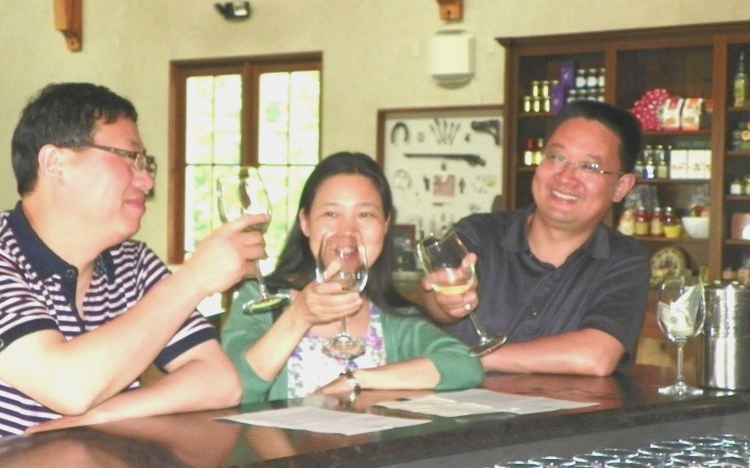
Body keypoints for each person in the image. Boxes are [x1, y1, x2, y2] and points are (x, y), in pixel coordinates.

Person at [0, 82, 257, 447]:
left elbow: (220, 382)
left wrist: (101, 416)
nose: (147, 181)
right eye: (129, 158)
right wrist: (194, 279)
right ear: (55, 164)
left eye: (145, 164)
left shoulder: (132, 264)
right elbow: (68, 387)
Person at [222, 152, 484, 403]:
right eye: (331, 214)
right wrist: (298, 316)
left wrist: (358, 380)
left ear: (385, 225)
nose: (347, 231)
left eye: (365, 214)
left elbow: (465, 366)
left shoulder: (393, 318)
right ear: (305, 222)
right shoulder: (258, 299)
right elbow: (234, 388)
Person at [423, 100, 649, 376]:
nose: (566, 177)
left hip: (565, 417)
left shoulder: (623, 261)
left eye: (589, 167)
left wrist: (468, 358)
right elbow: (437, 303)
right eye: (556, 158)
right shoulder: (480, 234)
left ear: (621, 187)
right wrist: (446, 303)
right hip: (457, 413)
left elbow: (596, 356)